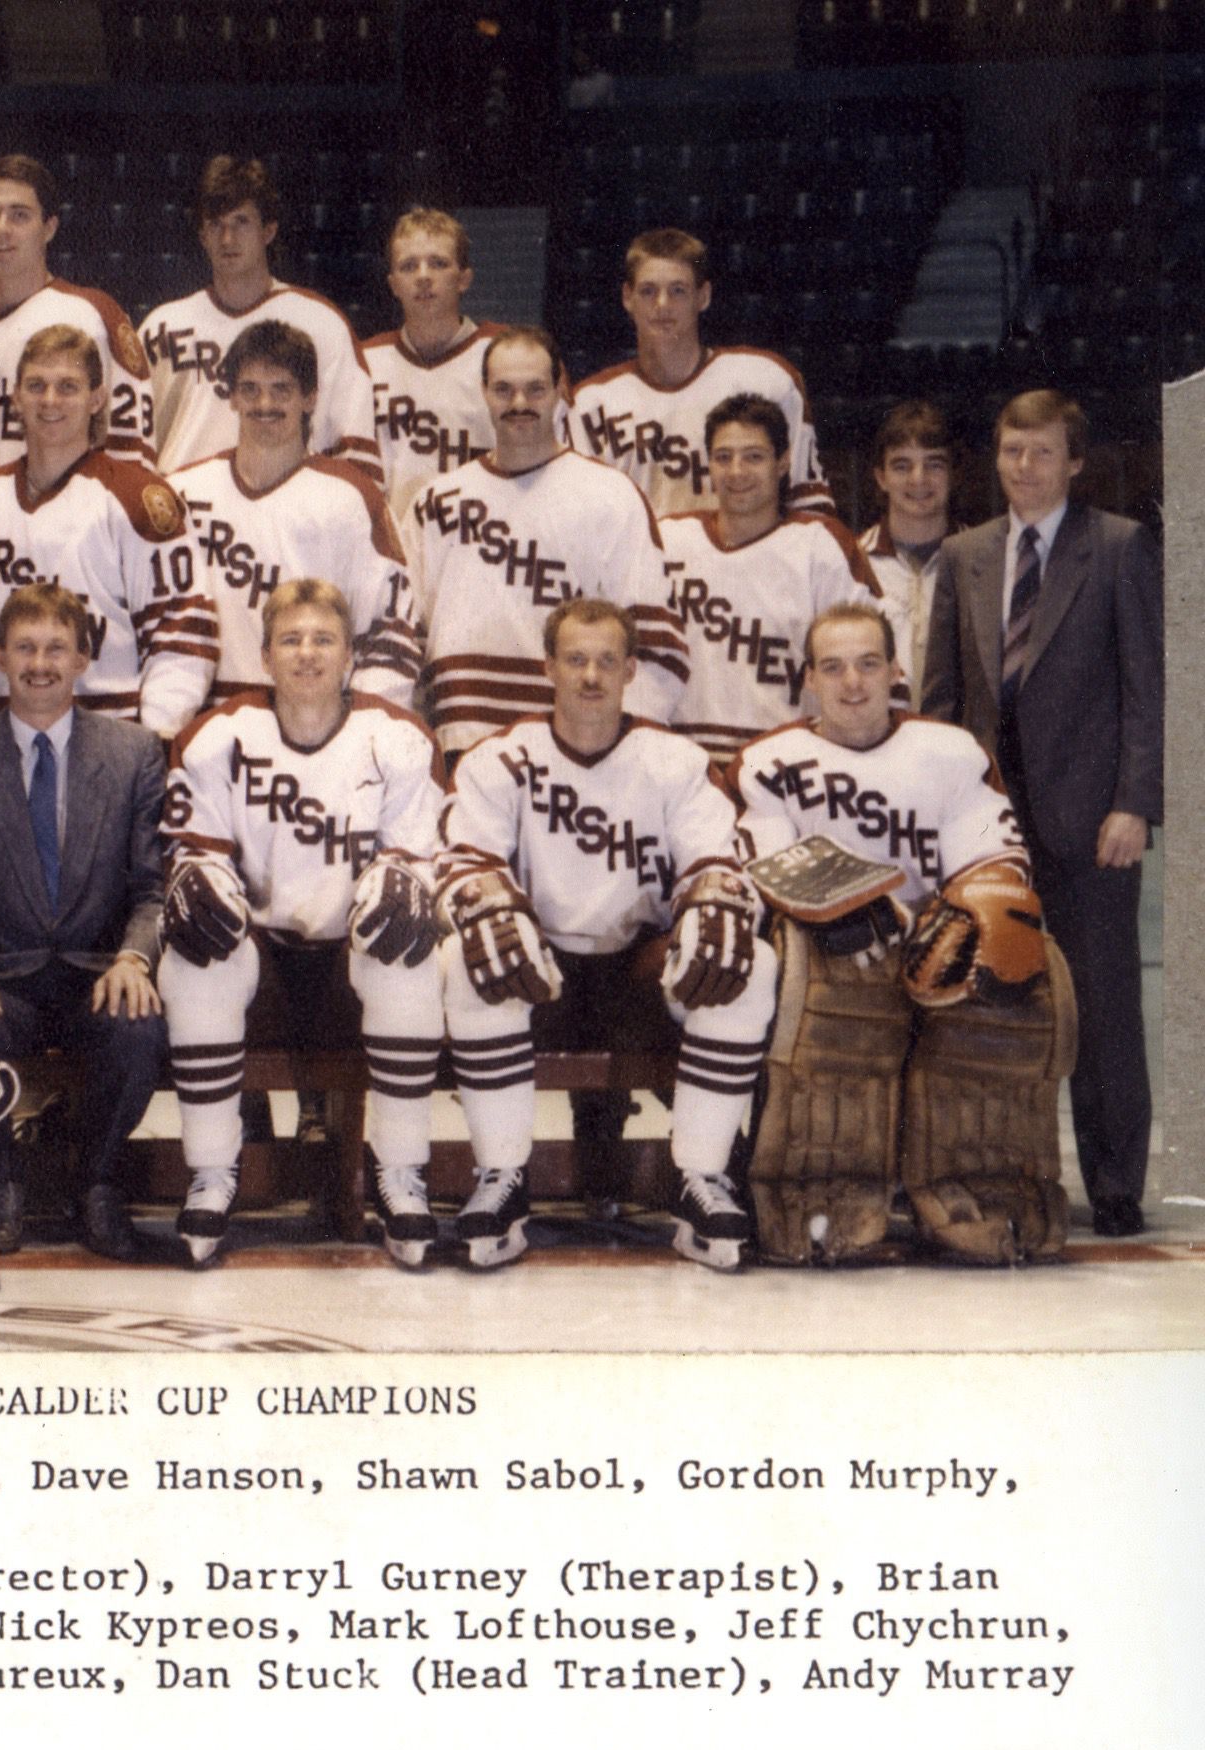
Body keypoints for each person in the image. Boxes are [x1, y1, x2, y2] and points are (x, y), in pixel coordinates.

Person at [437, 598, 772, 1270]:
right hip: (540, 968)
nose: (591, 675)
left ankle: (699, 1177)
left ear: (631, 671)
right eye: (576, 659)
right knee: (469, 953)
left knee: (748, 960)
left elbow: (715, 859)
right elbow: (466, 862)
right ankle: (502, 1177)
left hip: (635, 969)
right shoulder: (500, 757)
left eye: (607, 661)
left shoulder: (673, 759)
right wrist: (491, 908)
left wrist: (713, 904)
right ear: (549, 668)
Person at [743, 603, 1071, 1263]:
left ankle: (982, 1191)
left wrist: (973, 916)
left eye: (869, 663)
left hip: (936, 936)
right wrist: (848, 904)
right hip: (834, 944)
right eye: (833, 667)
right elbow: (767, 866)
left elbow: (992, 858)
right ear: (808, 678)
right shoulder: (768, 760)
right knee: (836, 991)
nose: (853, 683)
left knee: (1013, 965)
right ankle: (826, 1195)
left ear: (896, 669)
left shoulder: (949, 751)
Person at [921, 390, 1161, 1239]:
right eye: (1012, 451)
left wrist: (1134, 801)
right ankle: (1000, 1169)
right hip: (989, 830)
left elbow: (1147, 688)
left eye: (1043, 453)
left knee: (1101, 1009)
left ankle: (1117, 1182)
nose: (1025, 468)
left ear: (1076, 461)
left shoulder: (1121, 548)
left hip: (1094, 819)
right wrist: (939, 819)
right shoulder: (965, 554)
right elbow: (941, 705)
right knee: (993, 1008)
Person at [157, 579, 446, 1268]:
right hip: (265, 961)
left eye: (323, 640)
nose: (307, 654)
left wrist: (402, 886)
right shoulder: (218, 734)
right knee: (197, 953)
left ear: (350, 656)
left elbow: (419, 859)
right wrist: (204, 884)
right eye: (291, 639)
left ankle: (401, 1173)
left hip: (351, 959)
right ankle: (212, 1170)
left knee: (406, 947)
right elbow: (199, 857)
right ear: (264, 656)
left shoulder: (397, 736)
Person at [0, 584, 169, 1260]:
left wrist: (134, 958)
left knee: (139, 1027)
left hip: (97, 970)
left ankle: (94, 1180)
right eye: (25, 647)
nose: (40, 663)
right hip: (3, 974)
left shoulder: (136, 754)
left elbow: (152, 889)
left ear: (84, 659)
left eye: (57, 648)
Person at [0, 325, 210, 738]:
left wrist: (156, 736)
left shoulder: (137, 497)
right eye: (36, 385)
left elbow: (180, 632)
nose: (50, 401)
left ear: (97, 398)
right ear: (15, 396)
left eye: (68, 387)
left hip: (106, 738)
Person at [407, 327, 681, 756]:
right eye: (504, 389)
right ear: (483, 392)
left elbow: (655, 645)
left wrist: (615, 750)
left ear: (560, 392)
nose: (519, 404)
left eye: (535, 389)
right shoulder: (438, 501)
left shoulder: (610, 496)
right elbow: (407, 636)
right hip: (459, 742)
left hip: (575, 747)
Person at [167, 319, 416, 709]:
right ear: (230, 397)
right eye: (250, 390)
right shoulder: (183, 492)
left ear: (310, 397)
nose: (264, 405)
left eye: (281, 389)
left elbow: (390, 630)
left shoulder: (352, 497)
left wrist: (359, 729)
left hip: (313, 724)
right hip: (203, 725)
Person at [661, 391, 882, 766]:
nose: (736, 472)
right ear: (707, 465)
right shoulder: (667, 541)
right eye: (723, 457)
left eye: (754, 457)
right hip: (684, 765)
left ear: (782, 463)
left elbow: (875, 666)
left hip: (789, 768)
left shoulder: (820, 546)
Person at [566, 227, 830, 518]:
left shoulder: (767, 381)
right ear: (628, 297)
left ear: (703, 296)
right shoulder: (591, 405)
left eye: (678, 290)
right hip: (639, 562)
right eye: (648, 291)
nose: (662, 304)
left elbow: (810, 509)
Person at [141, 155, 377, 480]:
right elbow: (132, 447)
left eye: (241, 222)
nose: (227, 238)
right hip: (182, 515)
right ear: (202, 236)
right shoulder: (161, 328)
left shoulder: (320, 323)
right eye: (215, 224)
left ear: (268, 231)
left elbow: (354, 451)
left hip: (285, 513)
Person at [0, 154, 153, 474]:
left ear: (49, 228)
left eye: (19, 216)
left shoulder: (91, 315)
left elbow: (130, 452)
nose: (0, 229)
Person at [364, 207, 504, 529]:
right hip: (391, 553)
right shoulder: (366, 362)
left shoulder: (502, 356)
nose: (423, 276)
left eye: (438, 263)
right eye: (408, 266)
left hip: (479, 545)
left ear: (464, 278)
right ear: (394, 284)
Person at [862, 400, 955, 696]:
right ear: (881, 477)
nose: (919, 479)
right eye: (902, 466)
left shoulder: (983, 560)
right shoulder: (850, 561)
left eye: (934, 464)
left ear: (953, 474)